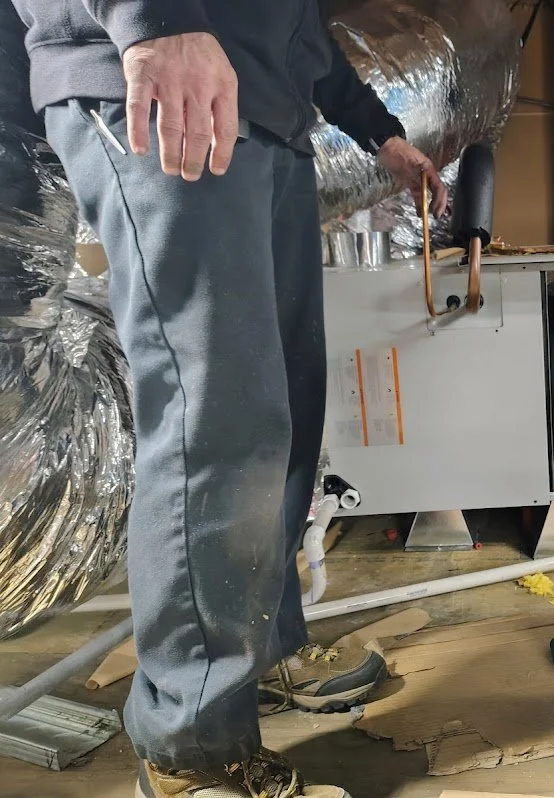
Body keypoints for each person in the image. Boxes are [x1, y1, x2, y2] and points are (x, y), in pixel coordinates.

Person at [7, 2, 448, 796]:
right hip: (157, 83)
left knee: (277, 418)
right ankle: (191, 748)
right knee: (215, 418)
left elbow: (298, 24)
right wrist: (154, 18)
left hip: (263, 116)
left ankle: (255, 662)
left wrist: (378, 131)